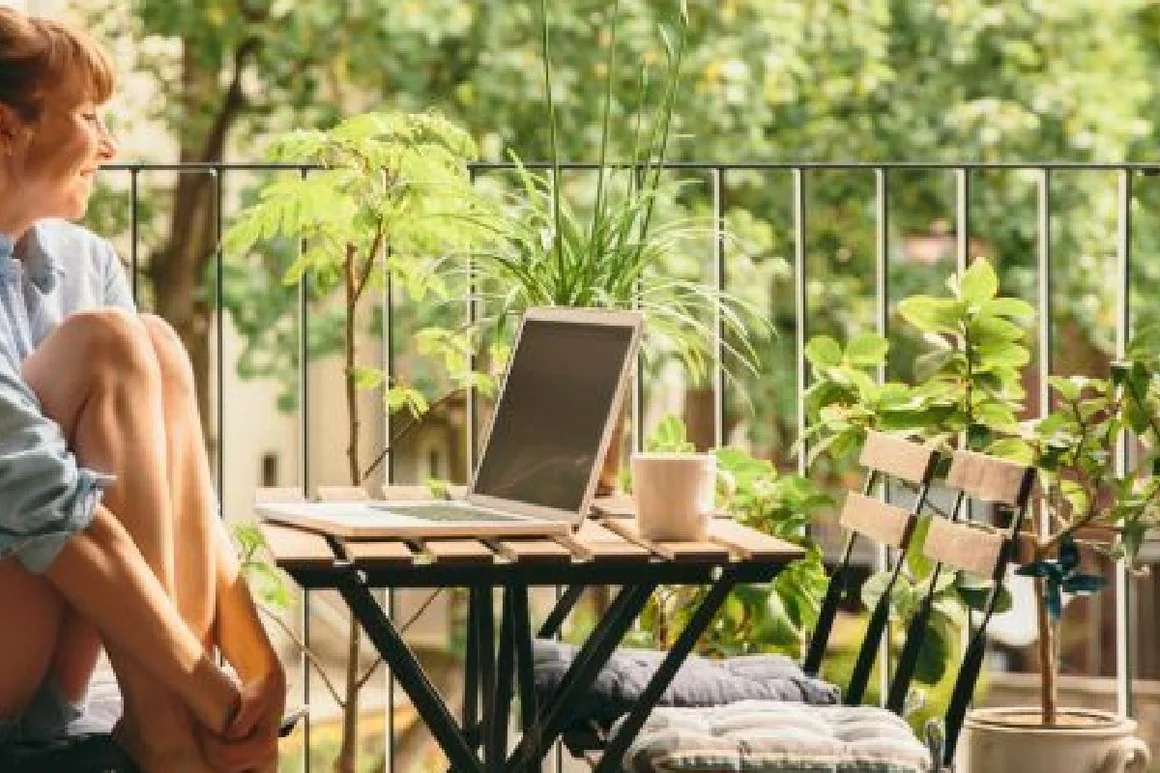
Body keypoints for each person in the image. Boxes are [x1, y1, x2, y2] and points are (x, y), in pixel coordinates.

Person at [0, 9, 286, 773]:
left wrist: (257, 663)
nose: (108, 146)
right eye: (89, 117)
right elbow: (53, 514)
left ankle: (169, 732)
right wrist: (212, 697)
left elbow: (174, 493)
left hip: (44, 652)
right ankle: (170, 741)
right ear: (7, 130)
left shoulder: (84, 261)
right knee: (112, 344)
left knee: (152, 341)